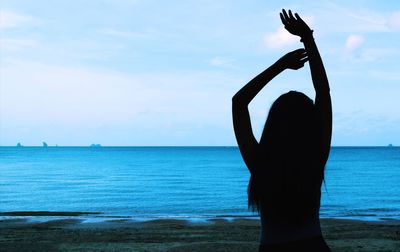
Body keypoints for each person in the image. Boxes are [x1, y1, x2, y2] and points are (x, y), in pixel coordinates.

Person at [232, 9, 332, 251]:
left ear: (272, 125)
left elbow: (239, 102)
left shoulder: (260, 163)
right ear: (310, 126)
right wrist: (307, 38)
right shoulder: (314, 157)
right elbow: (323, 92)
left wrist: (280, 65)